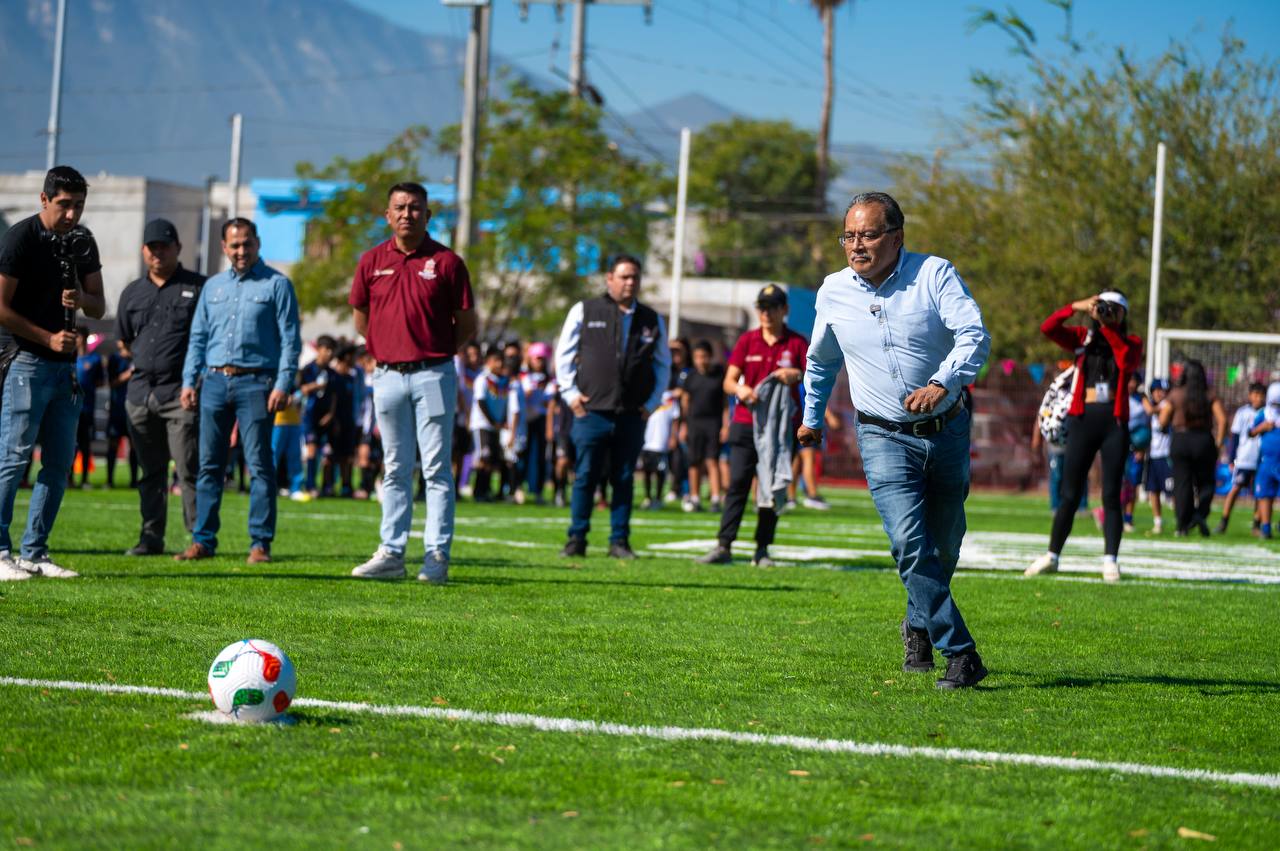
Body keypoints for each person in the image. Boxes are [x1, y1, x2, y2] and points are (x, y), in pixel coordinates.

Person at [801, 192, 989, 688]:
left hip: (947, 429)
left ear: (897, 236)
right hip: (881, 434)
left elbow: (973, 334)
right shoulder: (833, 291)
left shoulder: (934, 274)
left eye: (867, 235)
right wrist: (811, 417)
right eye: (848, 236)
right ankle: (960, 652)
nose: (856, 245)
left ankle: (918, 623)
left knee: (944, 545)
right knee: (909, 542)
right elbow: (821, 359)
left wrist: (942, 381)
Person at [348, 182, 476, 583]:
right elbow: (361, 316)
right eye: (400, 207)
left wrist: (435, 352)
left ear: (428, 215)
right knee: (395, 468)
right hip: (387, 375)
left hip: (433, 374)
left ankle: (436, 555)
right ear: (387, 215)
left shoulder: (448, 262)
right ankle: (391, 553)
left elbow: (466, 324)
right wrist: (386, 346)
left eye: (415, 207)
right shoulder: (371, 261)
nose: (407, 214)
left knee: (436, 469)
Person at [0, 165, 107, 580]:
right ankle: (1, 551)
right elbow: (1, 307)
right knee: (13, 459)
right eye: (64, 204)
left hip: (66, 370)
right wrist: (47, 338)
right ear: (44, 199)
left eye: (79, 205)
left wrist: (81, 298)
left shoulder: (83, 240)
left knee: (60, 463)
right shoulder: (21, 238)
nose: (72, 214)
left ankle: (35, 553)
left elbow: (99, 304)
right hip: (24, 361)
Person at [175, 217, 301, 564]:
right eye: (234, 245)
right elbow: (198, 338)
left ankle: (260, 543)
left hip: (257, 383)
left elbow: (291, 340)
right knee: (209, 465)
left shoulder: (277, 284)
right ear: (224, 247)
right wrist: (189, 381)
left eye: (247, 243)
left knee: (260, 465)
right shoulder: (212, 287)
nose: (241, 250)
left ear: (257, 243)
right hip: (214, 382)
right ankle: (203, 540)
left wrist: (283, 383)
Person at [555, 254, 671, 559]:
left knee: (624, 477)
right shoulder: (585, 309)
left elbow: (663, 365)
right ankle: (577, 538)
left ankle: (619, 541)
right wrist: (570, 394)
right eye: (624, 276)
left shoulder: (652, 319)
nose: (630, 282)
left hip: (632, 413)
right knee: (585, 475)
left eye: (635, 277)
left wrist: (652, 403)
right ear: (610, 279)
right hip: (591, 411)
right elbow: (563, 355)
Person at [1027, 290, 1143, 582]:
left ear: (1124, 314)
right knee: (1069, 493)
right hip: (1082, 420)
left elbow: (1126, 360)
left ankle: (1110, 560)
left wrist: (1108, 326)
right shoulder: (1083, 338)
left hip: (1114, 423)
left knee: (1111, 494)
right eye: (1103, 307)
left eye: (1114, 309)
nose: (1107, 312)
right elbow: (1048, 328)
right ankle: (1052, 555)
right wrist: (1075, 306)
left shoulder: (1131, 342)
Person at [696, 285, 808, 567]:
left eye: (772, 307)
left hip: (781, 429)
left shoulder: (796, 343)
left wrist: (795, 374)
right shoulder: (747, 340)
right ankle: (724, 545)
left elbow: (813, 377)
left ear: (784, 310)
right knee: (737, 484)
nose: (765, 313)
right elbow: (729, 381)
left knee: (771, 486)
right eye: (761, 307)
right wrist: (741, 390)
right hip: (746, 424)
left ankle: (762, 549)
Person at [115, 217, 206, 555]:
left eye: (164, 247)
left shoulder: (198, 287)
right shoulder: (132, 292)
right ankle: (151, 537)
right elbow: (124, 341)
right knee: (150, 472)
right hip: (140, 394)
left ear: (178, 248)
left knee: (188, 469)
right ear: (143, 251)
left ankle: (200, 538)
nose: (158, 253)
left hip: (180, 393)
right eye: (152, 248)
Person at [1158, 360, 1227, 537]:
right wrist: (1218, 443)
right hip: (1203, 440)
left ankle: (1182, 524)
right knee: (1207, 483)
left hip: (1181, 440)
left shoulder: (1176, 394)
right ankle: (1200, 513)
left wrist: (1167, 424)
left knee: (1182, 485)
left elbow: (1162, 419)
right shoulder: (1209, 394)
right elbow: (1222, 420)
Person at [680, 340, 725, 512]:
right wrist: (684, 425)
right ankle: (695, 497)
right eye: (697, 357)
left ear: (710, 356)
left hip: (713, 422)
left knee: (712, 460)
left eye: (704, 356)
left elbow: (725, 404)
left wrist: (725, 425)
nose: (701, 360)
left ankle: (715, 498)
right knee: (694, 461)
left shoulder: (719, 375)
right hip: (694, 423)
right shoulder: (690, 377)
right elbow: (685, 402)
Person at [1217, 382, 1266, 535]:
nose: (1258, 398)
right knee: (1235, 488)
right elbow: (1235, 436)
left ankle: (1257, 524)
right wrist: (1232, 458)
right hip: (1244, 458)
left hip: (1262, 459)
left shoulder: (1268, 413)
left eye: (1261, 395)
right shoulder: (1242, 412)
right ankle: (1224, 521)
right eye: (1255, 395)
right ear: (1250, 395)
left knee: (1260, 493)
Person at [470, 346, 515, 503]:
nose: (499, 364)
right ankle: (478, 490)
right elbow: (480, 402)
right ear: (488, 362)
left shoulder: (503, 381)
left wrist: (501, 421)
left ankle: (486, 489)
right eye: (496, 360)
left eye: (501, 361)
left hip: (496, 425)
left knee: (493, 459)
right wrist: (492, 421)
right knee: (484, 456)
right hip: (482, 424)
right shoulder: (482, 379)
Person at [298, 335, 336, 496]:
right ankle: (310, 485)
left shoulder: (332, 373)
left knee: (327, 453)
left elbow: (334, 395)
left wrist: (331, 413)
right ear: (319, 349)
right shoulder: (308, 369)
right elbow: (302, 390)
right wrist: (317, 385)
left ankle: (327, 486)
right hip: (309, 416)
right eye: (326, 349)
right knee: (311, 450)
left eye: (331, 350)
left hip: (325, 417)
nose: (329, 353)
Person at [518, 342, 555, 504]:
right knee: (522, 454)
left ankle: (538, 490)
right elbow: (524, 395)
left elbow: (549, 402)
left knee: (540, 456)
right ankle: (518, 487)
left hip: (541, 419)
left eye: (542, 359)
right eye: (536, 358)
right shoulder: (524, 376)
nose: (539, 362)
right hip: (525, 420)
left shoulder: (550, 379)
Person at [72, 327, 105, 488]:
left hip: (87, 408)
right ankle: (69, 478)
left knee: (85, 445)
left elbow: (100, 382)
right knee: (70, 444)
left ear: (84, 338)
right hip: (71, 409)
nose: (75, 339)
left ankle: (84, 479)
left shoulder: (95, 359)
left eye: (77, 336)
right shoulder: (70, 358)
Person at [1249, 382, 1280, 540]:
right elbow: (1251, 432)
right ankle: (1265, 527)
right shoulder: (1264, 414)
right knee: (1265, 495)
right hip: (1267, 461)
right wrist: (1262, 427)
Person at [105, 338, 137, 488]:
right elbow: (111, 383)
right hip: (117, 410)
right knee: (113, 444)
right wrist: (128, 374)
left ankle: (134, 481)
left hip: (133, 409)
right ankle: (109, 481)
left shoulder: (137, 358)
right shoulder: (114, 359)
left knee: (134, 446)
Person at [640, 389, 680, 509]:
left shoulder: (670, 397)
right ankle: (647, 497)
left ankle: (658, 498)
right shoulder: (647, 393)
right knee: (646, 470)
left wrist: (673, 436)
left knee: (660, 470)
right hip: (647, 440)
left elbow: (675, 417)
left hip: (661, 440)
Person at [1143, 379, 1173, 534]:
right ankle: (1158, 523)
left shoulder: (1166, 405)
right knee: (1153, 490)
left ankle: (1182, 522)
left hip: (1166, 455)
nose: (1162, 394)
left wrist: (1143, 399)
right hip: (1152, 455)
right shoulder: (1154, 407)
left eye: (1164, 391)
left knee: (1172, 492)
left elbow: (1153, 413)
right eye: (1159, 390)